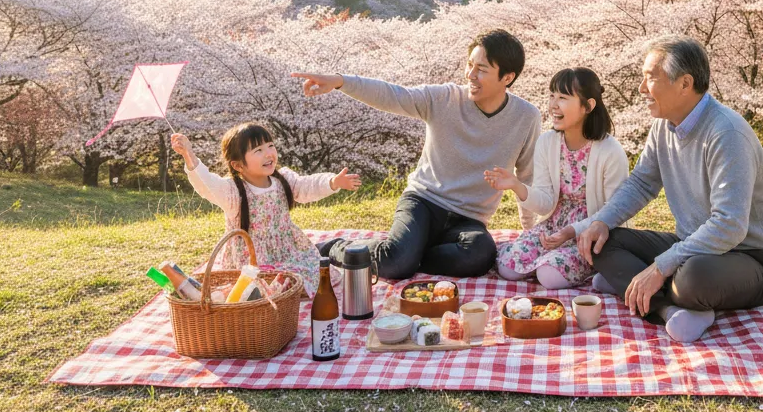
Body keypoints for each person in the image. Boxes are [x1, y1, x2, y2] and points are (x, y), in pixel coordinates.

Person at [542, 36, 763, 343]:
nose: (642, 89)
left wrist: (661, 266)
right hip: (693, 245)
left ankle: (635, 284)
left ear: (685, 83)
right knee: (602, 242)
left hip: (752, 259)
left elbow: (730, 225)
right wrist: (601, 222)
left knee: (691, 280)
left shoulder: (727, 133)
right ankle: (667, 311)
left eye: (650, 78)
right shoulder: (664, 124)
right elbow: (642, 183)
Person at [292, 29, 542, 280]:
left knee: (480, 256)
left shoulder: (526, 117)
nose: (471, 75)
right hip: (423, 202)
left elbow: (527, 178)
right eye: (469, 65)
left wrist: (530, 236)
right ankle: (337, 247)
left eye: (482, 69)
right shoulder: (444, 98)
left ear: (507, 77)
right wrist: (339, 81)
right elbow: (394, 95)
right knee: (396, 264)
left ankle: (407, 254)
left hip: (469, 220)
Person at [170, 123, 360, 297]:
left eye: (270, 146)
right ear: (238, 165)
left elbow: (307, 186)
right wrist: (189, 155)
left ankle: (288, 290)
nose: (269, 154)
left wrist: (333, 182)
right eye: (258, 150)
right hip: (252, 260)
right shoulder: (233, 191)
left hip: (289, 250)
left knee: (318, 274)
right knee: (257, 287)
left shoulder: (283, 180)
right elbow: (207, 184)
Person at [484, 67, 629, 289]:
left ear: (588, 106)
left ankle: (577, 266)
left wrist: (571, 232)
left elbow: (615, 212)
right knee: (508, 267)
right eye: (552, 95)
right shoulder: (547, 143)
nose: (553, 105)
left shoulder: (610, 150)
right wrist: (517, 186)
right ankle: (544, 261)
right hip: (553, 227)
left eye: (562, 97)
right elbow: (545, 203)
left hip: (589, 234)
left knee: (549, 276)